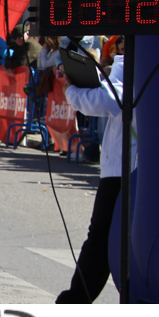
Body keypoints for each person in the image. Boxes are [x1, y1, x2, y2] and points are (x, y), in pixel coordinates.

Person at [56, 53, 133, 303]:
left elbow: (112, 99)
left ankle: (75, 302)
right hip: (130, 163)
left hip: (126, 167)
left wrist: (72, 91)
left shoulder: (136, 56)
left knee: (102, 237)